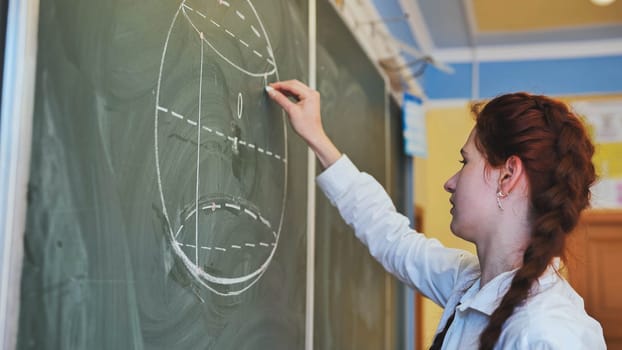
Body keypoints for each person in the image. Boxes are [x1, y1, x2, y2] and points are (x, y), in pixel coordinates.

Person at [266, 80, 606, 349]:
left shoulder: (552, 335)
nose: (450, 182)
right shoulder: (471, 283)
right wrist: (319, 139)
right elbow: (392, 239)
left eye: (465, 162)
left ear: (507, 175)